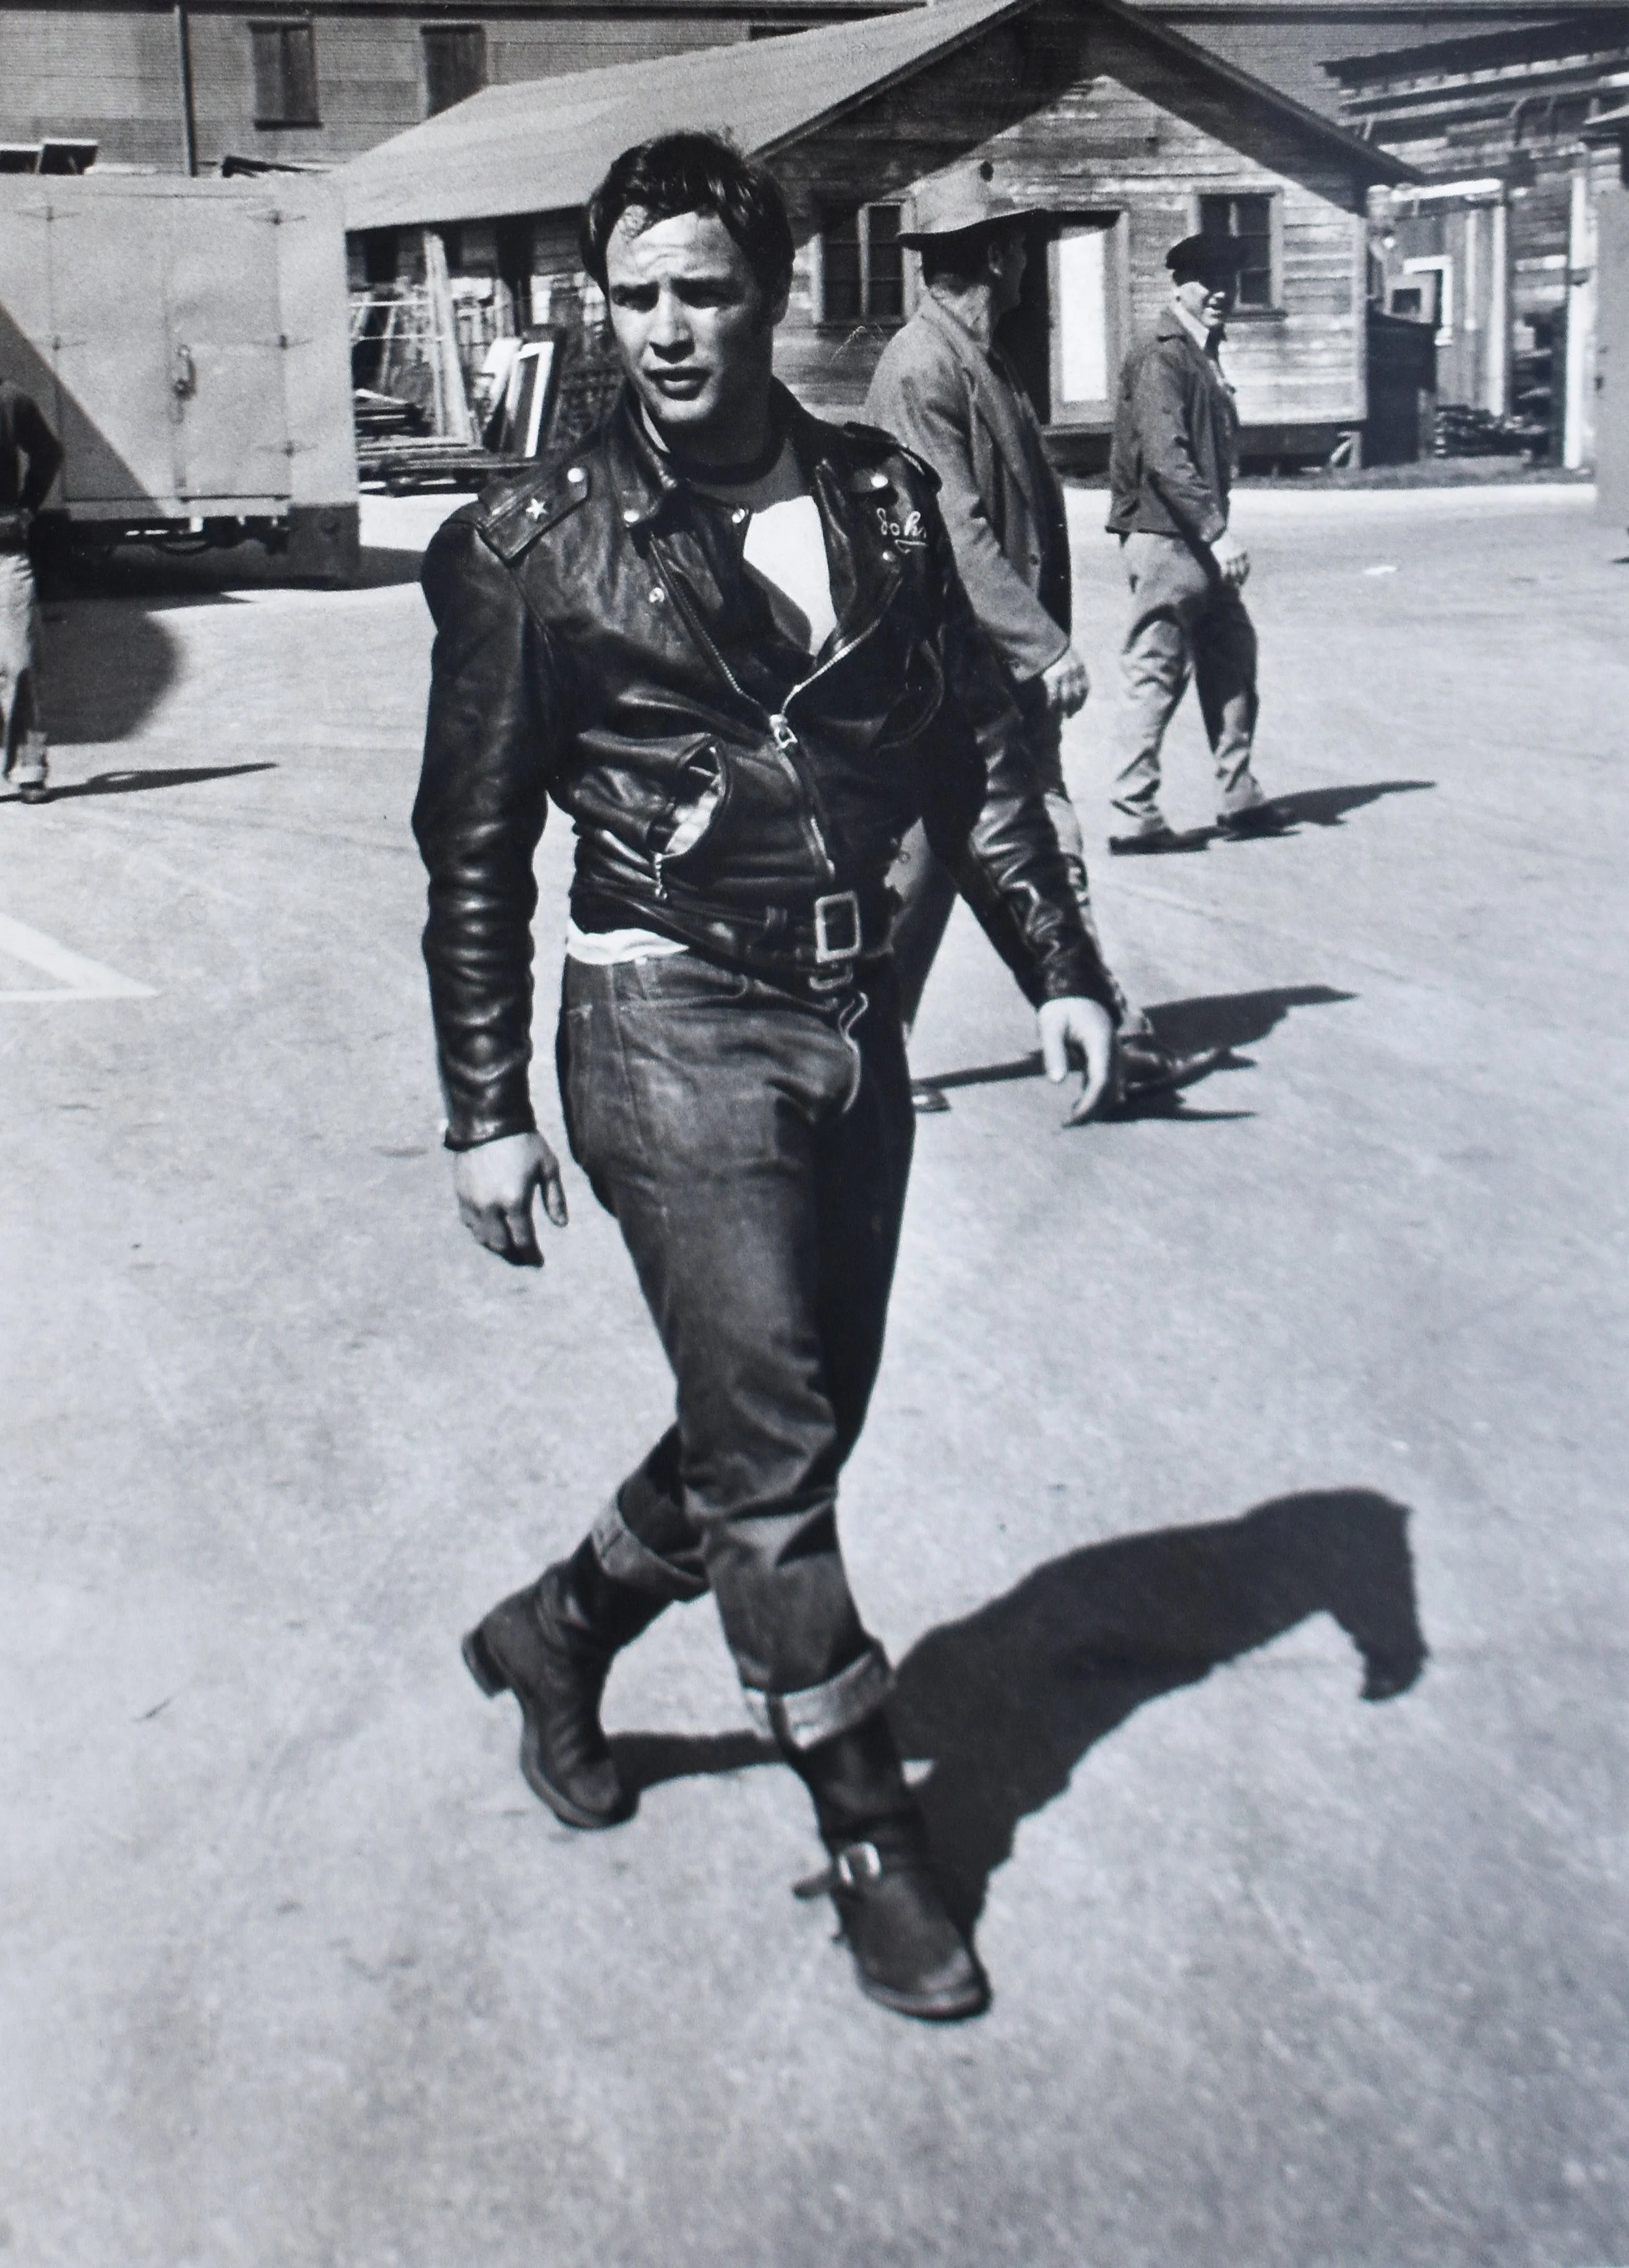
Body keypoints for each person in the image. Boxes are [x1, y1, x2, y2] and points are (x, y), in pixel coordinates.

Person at [413, 134, 1125, 2024]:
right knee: (781, 1454)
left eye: (703, 292)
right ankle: (875, 1837)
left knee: (790, 1421)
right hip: (659, 1019)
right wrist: (484, 1107)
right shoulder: (531, 547)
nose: (666, 329)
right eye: (635, 294)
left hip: (847, 1016)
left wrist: (1057, 965)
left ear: (774, 296)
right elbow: (472, 850)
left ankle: (556, 1633)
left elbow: (974, 750)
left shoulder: (879, 499)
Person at [865, 167, 1205, 1109]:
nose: (1028, 262)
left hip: (982, 669)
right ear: (997, 256)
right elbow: (951, 530)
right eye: (1018, 245)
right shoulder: (922, 368)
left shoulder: (982, 358)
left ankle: (878, 1036)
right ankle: (1110, 1026)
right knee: (1034, 836)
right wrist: (1041, 645)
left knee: (942, 852)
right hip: (958, 668)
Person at [1106, 233, 1288, 853]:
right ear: (1178, 284)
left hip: (1196, 539)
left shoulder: (1202, 351)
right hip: (1167, 537)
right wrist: (1216, 531)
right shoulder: (1162, 355)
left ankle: (1239, 796)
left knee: (1232, 653)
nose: (1220, 292)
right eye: (1207, 280)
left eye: (1228, 280)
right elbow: (1166, 457)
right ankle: (1133, 813)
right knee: (1155, 672)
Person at [0, 376, 62, 806]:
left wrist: (26, 508)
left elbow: (49, 452)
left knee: (20, 661)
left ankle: (30, 767)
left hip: (5, 553)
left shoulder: (9, 398)